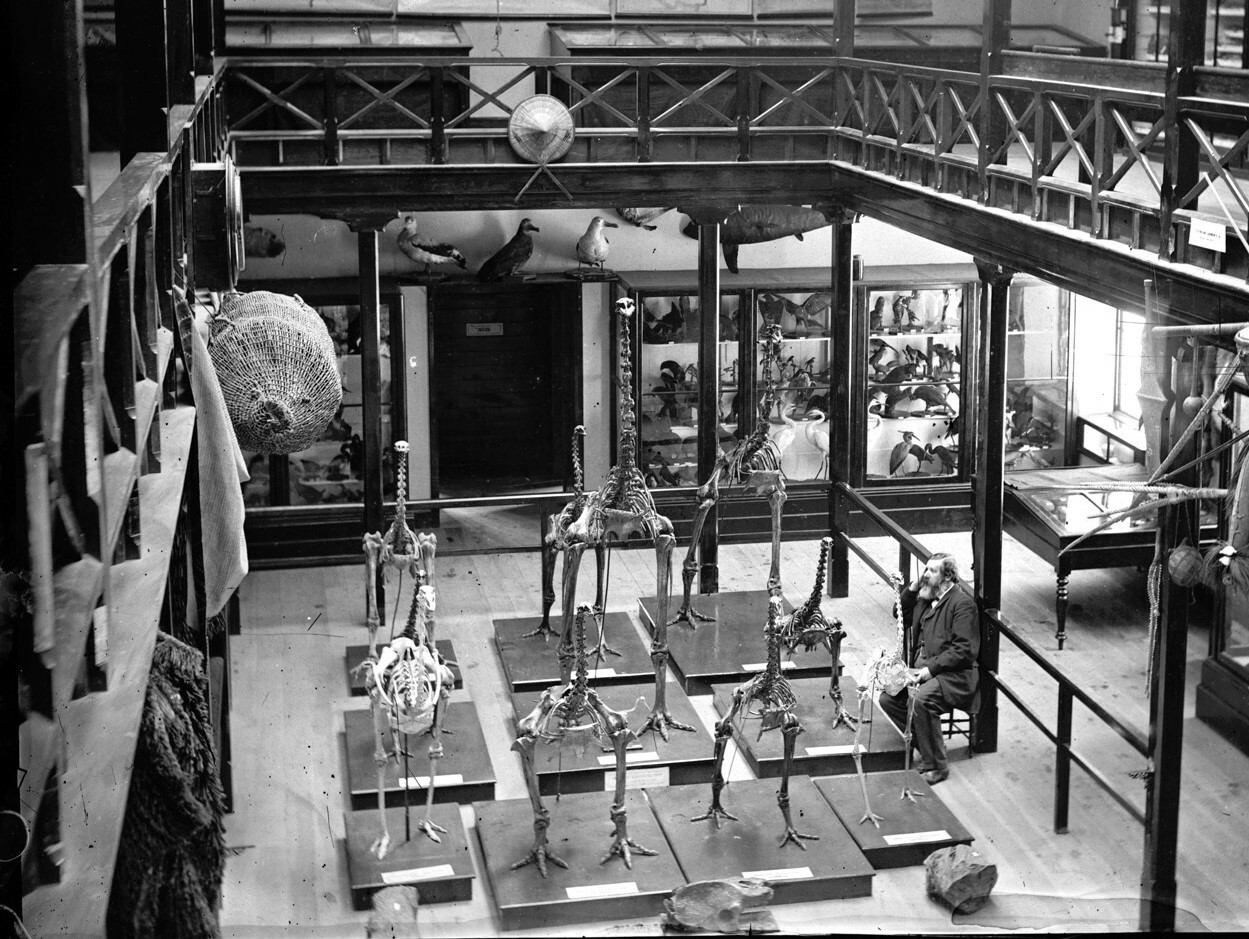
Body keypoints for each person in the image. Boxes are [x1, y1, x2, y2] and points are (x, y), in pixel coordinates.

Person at [878, 552, 979, 785]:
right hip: (921, 672)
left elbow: (964, 650)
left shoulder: (962, 604)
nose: (926, 574)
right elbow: (899, 614)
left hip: (953, 675)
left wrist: (929, 670)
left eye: (932, 571)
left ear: (947, 577)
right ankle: (925, 746)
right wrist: (913, 587)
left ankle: (937, 766)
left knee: (922, 700)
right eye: (925, 569)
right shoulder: (926, 597)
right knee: (888, 698)